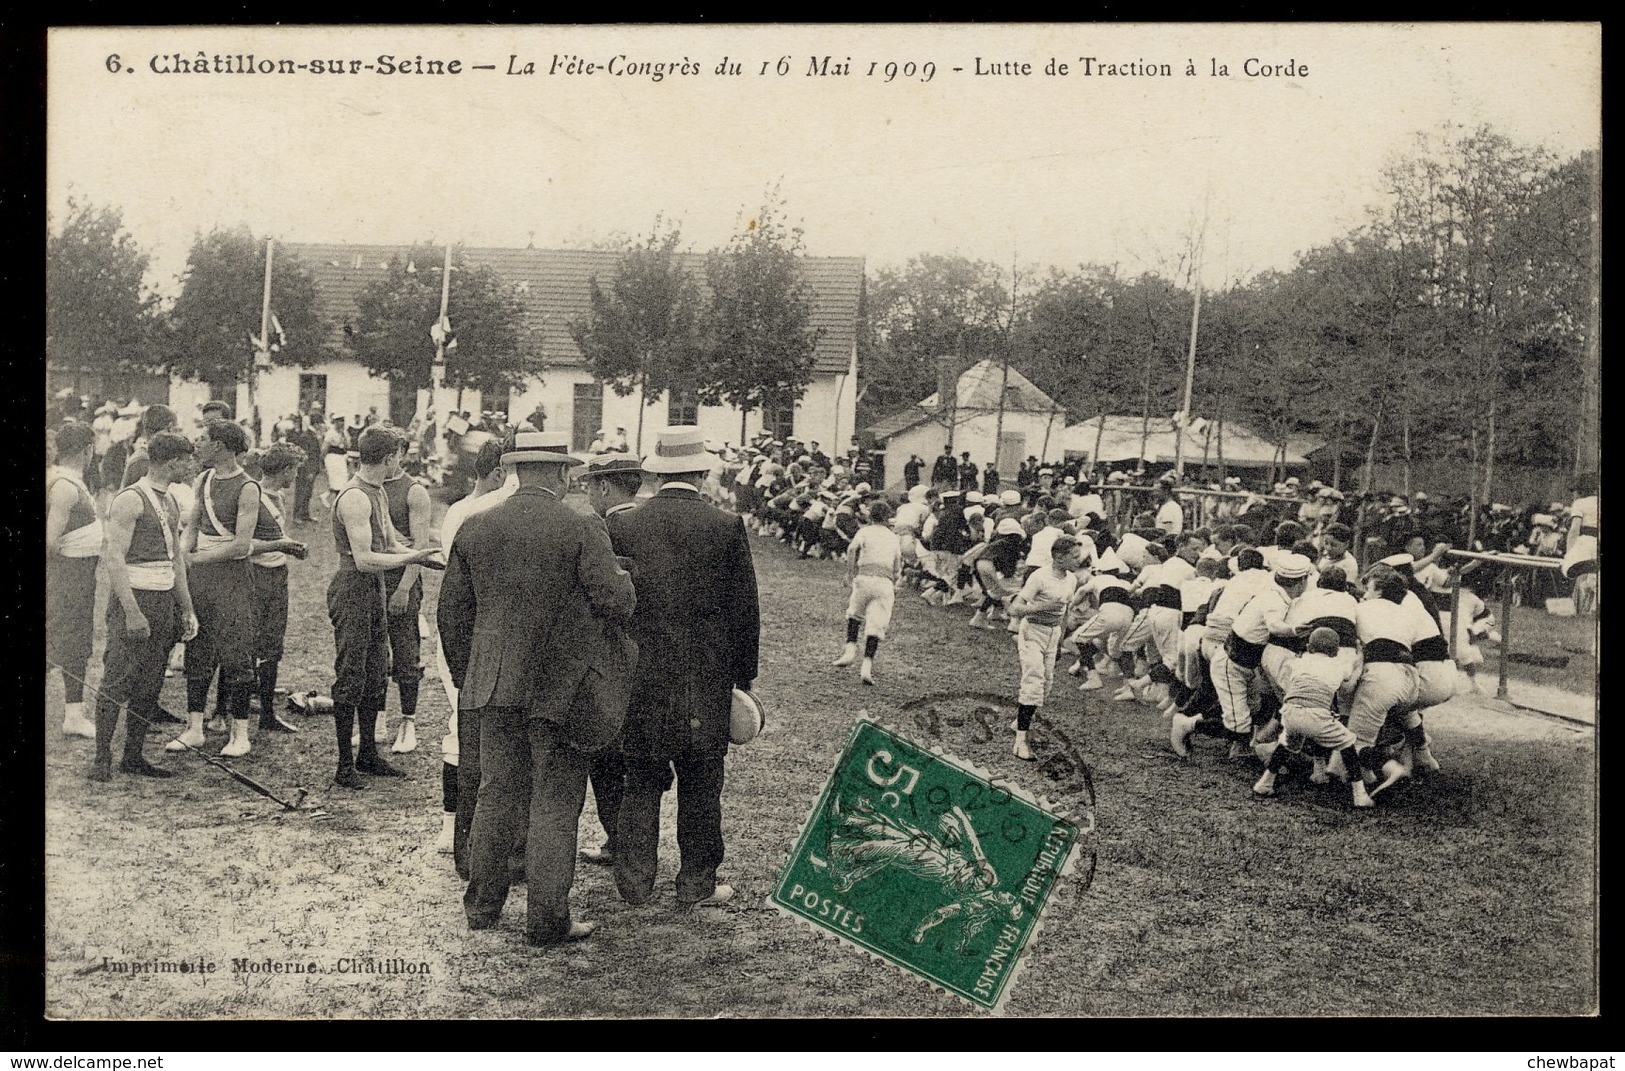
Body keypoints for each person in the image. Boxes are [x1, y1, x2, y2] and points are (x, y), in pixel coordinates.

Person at [439, 431, 636, 946]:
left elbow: (452, 614)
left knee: (495, 795)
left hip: (492, 685)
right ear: (561, 474)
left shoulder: (476, 526)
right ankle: (547, 921)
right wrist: (625, 579)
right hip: (560, 689)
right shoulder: (582, 526)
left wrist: (472, 676)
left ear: (515, 471)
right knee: (554, 802)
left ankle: (482, 908)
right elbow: (615, 603)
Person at [607, 427, 760, 909]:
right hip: (705, 680)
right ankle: (696, 883)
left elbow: (611, 604)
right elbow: (744, 609)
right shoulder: (725, 524)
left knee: (640, 780)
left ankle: (634, 882)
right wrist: (743, 678)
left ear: (655, 470)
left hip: (641, 677)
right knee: (701, 783)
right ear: (702, 470)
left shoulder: (623, 524)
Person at [327, 426, 442, 789]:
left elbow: (391, 544)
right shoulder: (356, 496)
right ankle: (345, 764)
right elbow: (363, 559)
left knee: (376, 671)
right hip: (353, 588)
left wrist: (422, 556)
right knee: (351, 673)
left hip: (373, 587)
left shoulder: (375, 493)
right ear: (391, 456)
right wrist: (415, 557)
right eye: (399, 455)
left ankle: (367, 755)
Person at [93, 432, 199, 782]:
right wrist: (132, 611)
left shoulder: (169, 499)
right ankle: (101, 758)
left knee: (151, 681)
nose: (191, 466)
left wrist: (186, 608)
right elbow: (114, 559)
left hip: (163, 598)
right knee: (118, 678)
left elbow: (176, 560)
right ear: (172, 461)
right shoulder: (130, 499)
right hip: (135, 597)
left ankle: (133, 756)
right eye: (187, 460)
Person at [430, 437, 511, 861]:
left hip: (462, 629)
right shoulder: (481, 512)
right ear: (497, 472)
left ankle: (456, 828)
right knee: (468, 730)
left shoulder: (458, 510)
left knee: (462, 727)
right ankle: (458, 828)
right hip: (473, 631)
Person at [177, 420, 263, 758]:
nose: (197, 444)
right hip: (201, 578)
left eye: (203, 439)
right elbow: (192, 525)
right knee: (197, 647)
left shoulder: (248, 487)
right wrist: (185, 553)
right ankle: (195, 727)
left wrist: (199, 559)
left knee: (236, 653)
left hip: (232, 579)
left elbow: (242, 545)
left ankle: (240, 732)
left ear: (221, 447)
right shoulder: (203, 479)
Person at [577, 452, 647, 866]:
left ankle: (619, 842)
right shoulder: (655, 524)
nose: (586, 492)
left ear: (604, 487)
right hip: (652, 661)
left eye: (589, 485)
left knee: (606, 760)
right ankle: (631, 843)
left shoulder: (601, 530)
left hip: (612, 660)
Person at [1251, 627, 1369, 807]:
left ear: (1308, 647)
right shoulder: (1338, 665)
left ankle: (1265, 782)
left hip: (1290, 712)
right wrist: (1360, 658)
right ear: (1336, 651)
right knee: (1348, 743)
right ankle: (1360, 795)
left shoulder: (1297, 662)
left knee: (1287, 742)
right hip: (1317, 715)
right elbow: (1351, 680)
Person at [244, 443, 310, 736]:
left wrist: (289, 547)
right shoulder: (252, 496)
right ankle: (231, 710)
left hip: (276, 575)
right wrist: (282, 545)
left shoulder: (279, 498)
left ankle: (267, 712)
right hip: (254, 576)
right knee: (246, 643)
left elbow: (276, 537)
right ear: (285, 470)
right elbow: (242, 546)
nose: (296, 476)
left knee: (273, 645)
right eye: (295, 470)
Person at [47, 422, 103, 738]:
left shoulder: (71, 481)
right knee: (57, 644)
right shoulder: (65, 486)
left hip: (80, 575)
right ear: (87, 450)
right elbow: (50, 540)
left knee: (77, 645)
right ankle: (73, 713)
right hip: (68, 576)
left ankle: (74, 714)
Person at [380, 433, 435, 754]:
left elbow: (420, 546)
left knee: (405, 651)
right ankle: (375, 719)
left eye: (392, 453)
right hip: (372, 579)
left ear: (400, 453)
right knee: (373, 654)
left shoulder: (414, 491)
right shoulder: (365, 486)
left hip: (402, 580)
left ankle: (408, 721)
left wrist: (403, 588)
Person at [1008, 536, 1084, 761]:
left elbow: (1065, 612)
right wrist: (1042, 606)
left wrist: (1059, 642)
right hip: (1033, 631)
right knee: (1033, 681)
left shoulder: (1071, 579)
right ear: (1059, 556)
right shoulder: (1039, 577)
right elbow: (1015, 608)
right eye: (1074, 556)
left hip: (1053, 635)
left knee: (1046, 685)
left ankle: (1020, 722)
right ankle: (1020, 742)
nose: (1078, 561)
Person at [831, 498, 902, 685]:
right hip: (884, 582)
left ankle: (850, 650)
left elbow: (852, 548)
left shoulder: (865, 531)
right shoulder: (893, 537)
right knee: (876, 625)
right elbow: (897, 564)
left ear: (870, 516)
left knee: (854, 613)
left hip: (864, 578)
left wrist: (850, 572)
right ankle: (867, 666)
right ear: (888, 517)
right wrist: (894, 579)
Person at [321, 416, 350, 509]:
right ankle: (336, 503)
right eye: (339, 421)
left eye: (343, 421)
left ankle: (326, 496)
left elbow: (347, 446)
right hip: (332, 458)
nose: (341, 424)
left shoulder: (344, 433)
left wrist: (344, 436)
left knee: (343, 480)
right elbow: (324, 448)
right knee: (335, 480)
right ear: (335, 422)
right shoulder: (330, 433)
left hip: (341, 458)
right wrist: (322, 461)